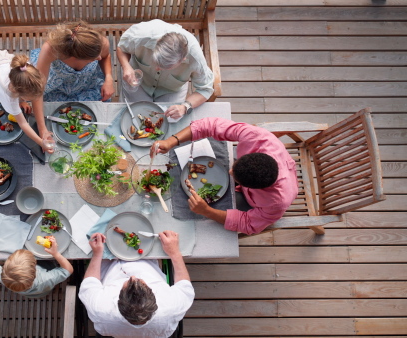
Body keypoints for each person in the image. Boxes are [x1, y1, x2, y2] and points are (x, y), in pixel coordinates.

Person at [152, 117, 299, 235]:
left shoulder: (276, 202)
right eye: (233, 168)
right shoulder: (257, 138)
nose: (229, 172)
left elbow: (248, 223)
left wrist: (207, 211)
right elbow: (210, 125)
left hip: (253, 203)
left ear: (247, 186)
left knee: (205, 219)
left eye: (234, 176)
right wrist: (171, 141)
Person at [79, 231, 194, 337]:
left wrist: (97, 254)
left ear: (118, 302)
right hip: (149, 262)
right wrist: (175, 253)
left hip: (109, 266)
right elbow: (184, 284)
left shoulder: (100, 309)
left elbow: (90, 281)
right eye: (143, 284)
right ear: (154, 297)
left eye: (128, 283)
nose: (133, 277)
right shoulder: (172, 308)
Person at [116, 19, 214, 120]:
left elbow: (205, 89)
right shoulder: (140, 35)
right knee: (130, 116)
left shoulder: (195, 58)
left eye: (165, 67)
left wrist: (185, 107)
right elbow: (122, 48)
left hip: (172, 90)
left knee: (169, 121)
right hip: (139, 82)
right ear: (157, 43)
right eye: (155, 62)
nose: (157, 68)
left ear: (183, 60)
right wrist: (126, 66)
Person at [0, 49, 54, 153]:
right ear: (18, 94)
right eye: (28, 99)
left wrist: (22, 102)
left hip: (2, 61)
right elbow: (23, 124)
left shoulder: (26, 72)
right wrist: (41, 142)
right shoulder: (8, 96)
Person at [0, 220, 73, 297]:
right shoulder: (45, 279)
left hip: (25, 292)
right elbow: (68, 270)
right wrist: (56, 254)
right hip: (44, 289)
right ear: (34, 269)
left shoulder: (5, 278)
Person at [30, 21, 115, 102]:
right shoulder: (51, 50)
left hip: (86, 84)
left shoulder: (100, 43)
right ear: (75, 57)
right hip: (55, 86)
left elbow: (105, 56)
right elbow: (38, 90)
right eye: (92, 58)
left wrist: (109, 78)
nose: (99, 58)